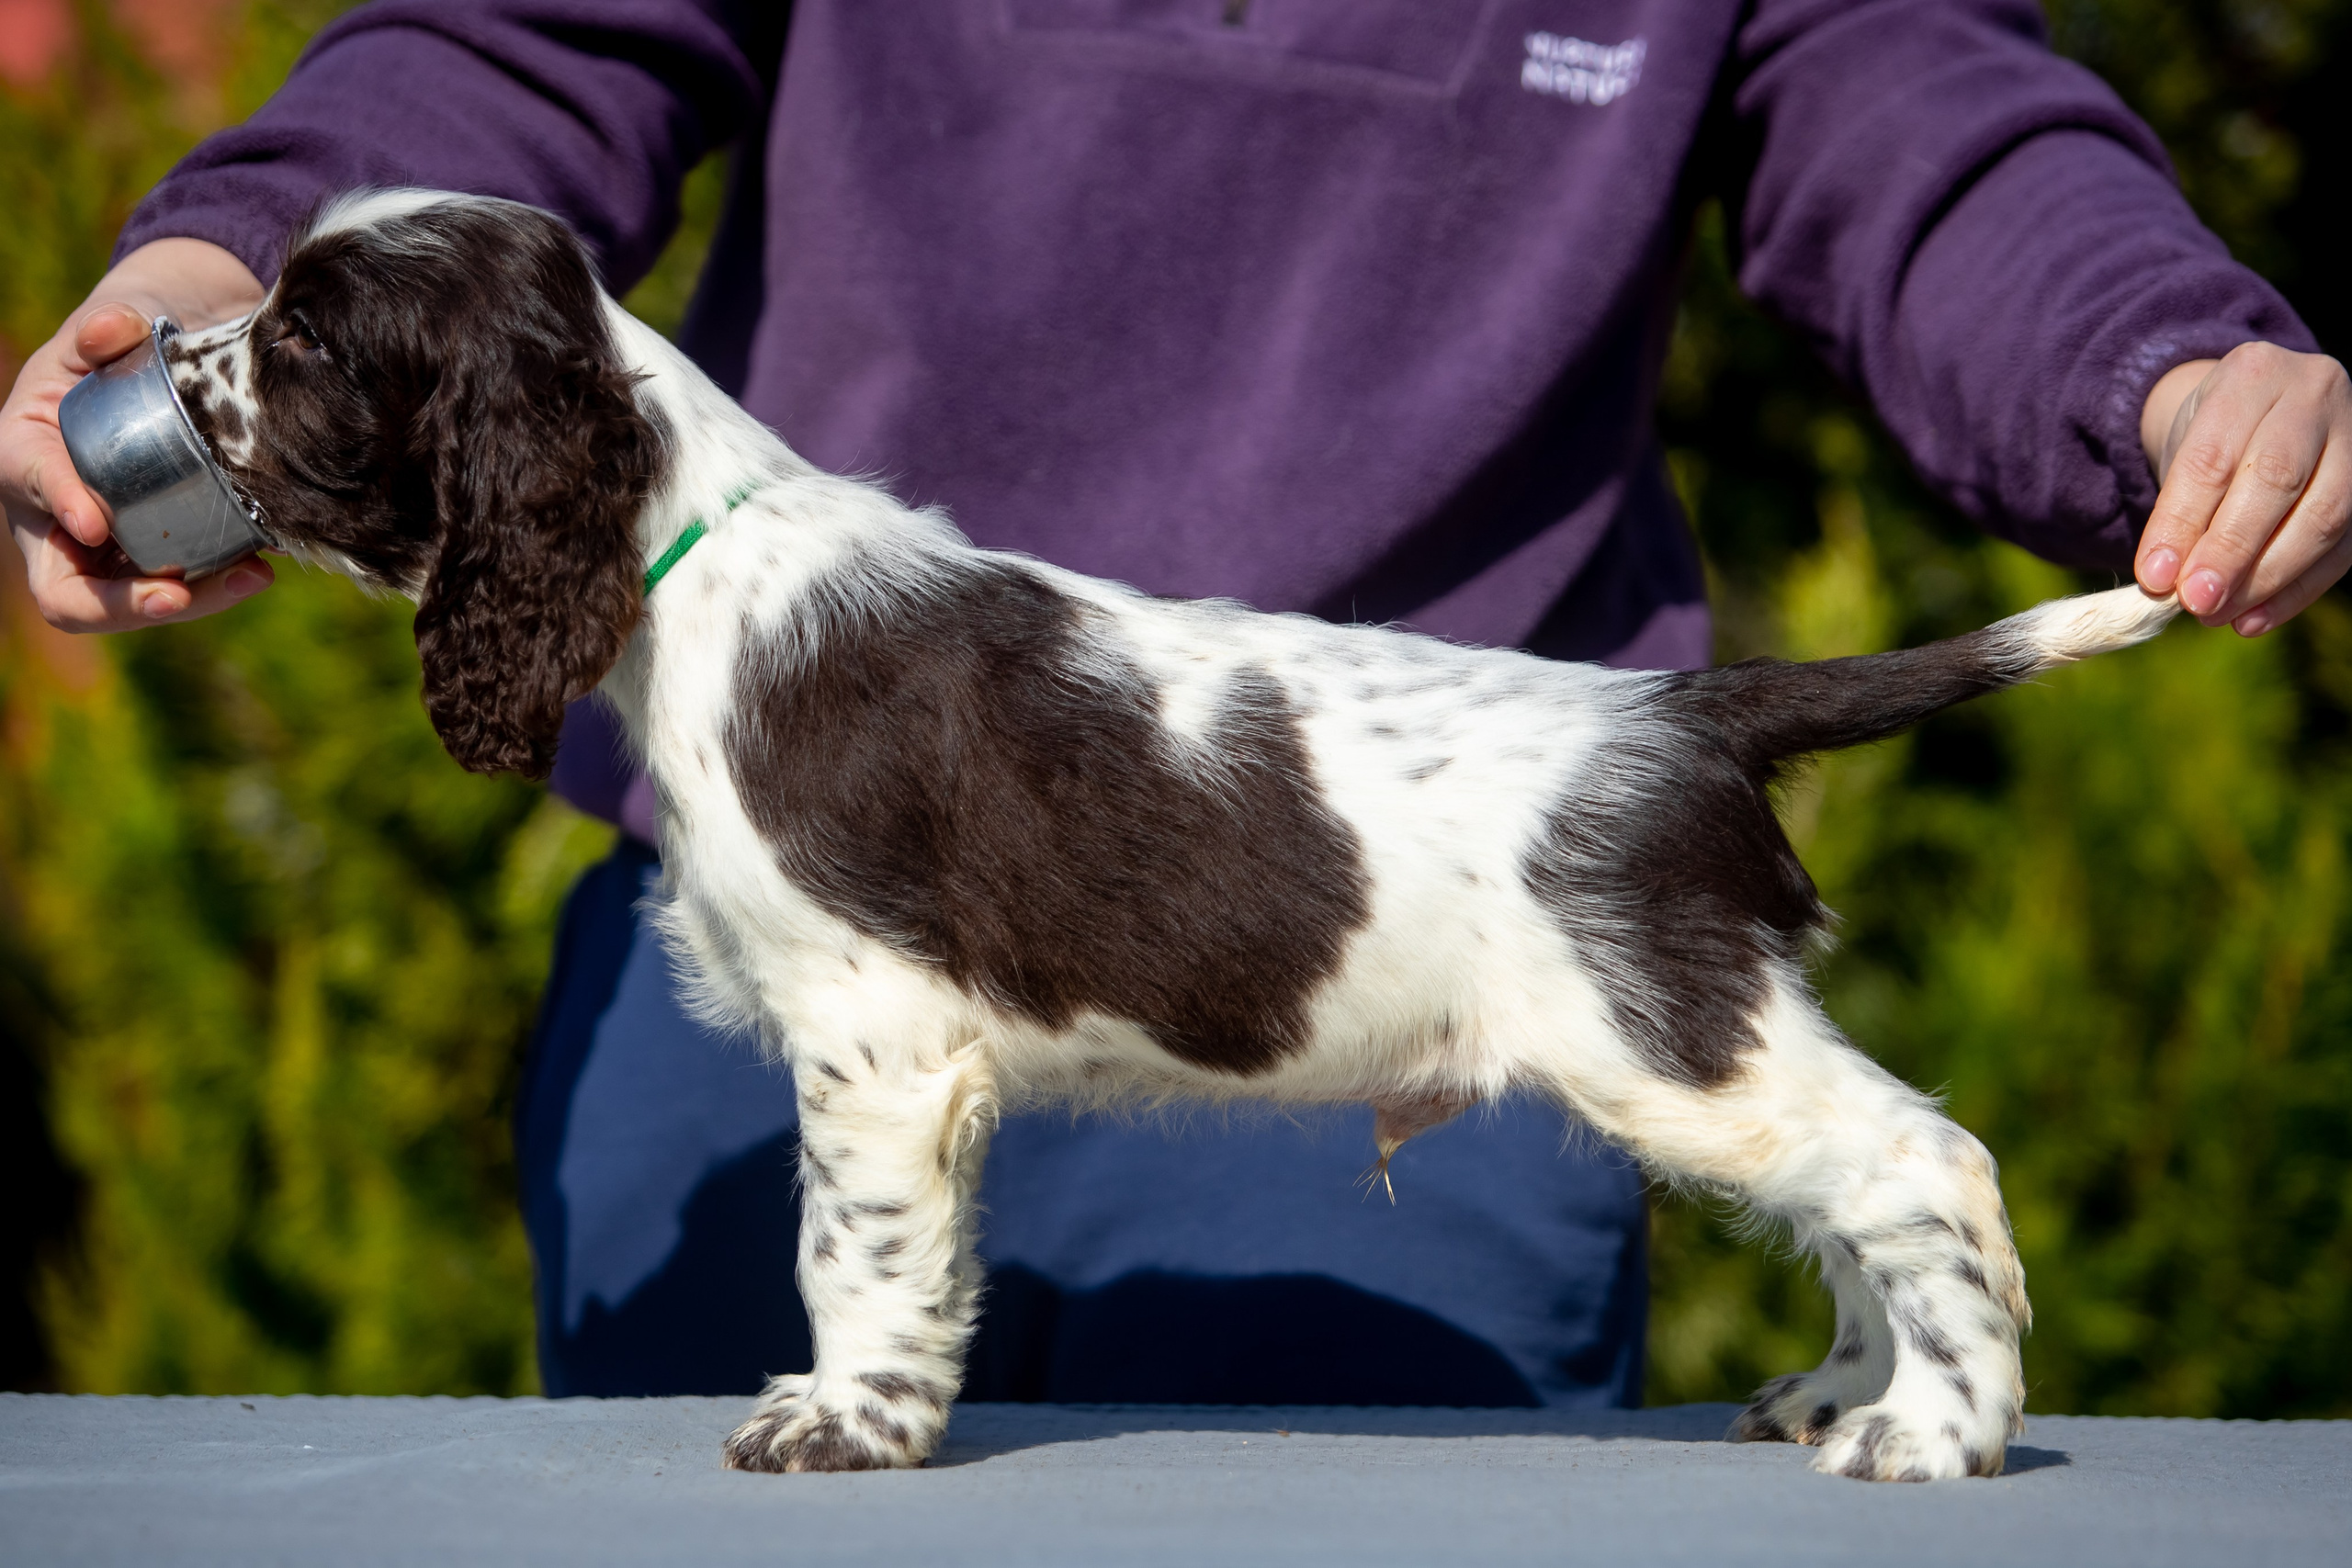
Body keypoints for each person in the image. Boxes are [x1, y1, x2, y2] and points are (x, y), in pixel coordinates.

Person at [5, 0, 2345, 1405]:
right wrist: (241, 274)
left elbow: (1910, 106)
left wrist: (2153, 361)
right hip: (780, 943)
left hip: (1403, 946)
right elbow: (530, 36)